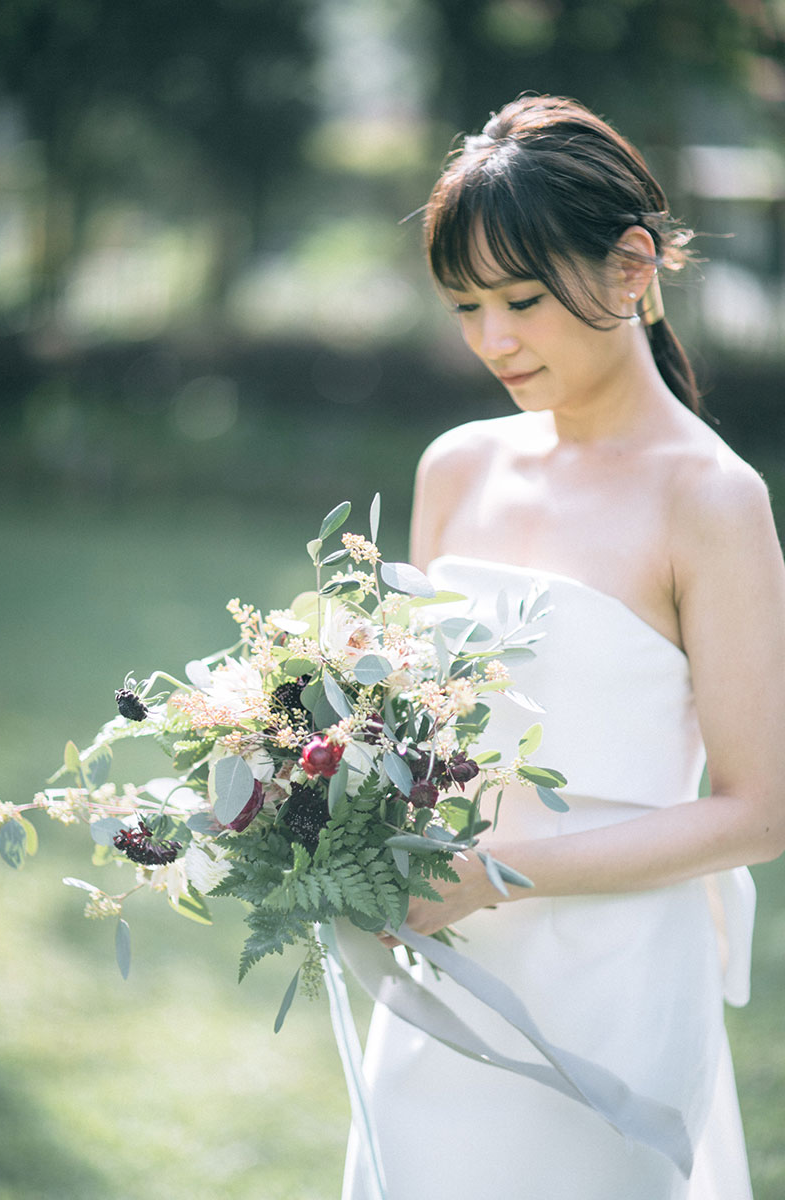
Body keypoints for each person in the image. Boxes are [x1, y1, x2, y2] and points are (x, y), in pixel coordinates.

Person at [342, 94, 785, 1199]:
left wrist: (493, 876)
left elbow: (760, 809)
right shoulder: (456, 466)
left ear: (631, 267)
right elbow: (407, 726)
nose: (492, 339)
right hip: (443, 963)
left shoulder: (710, 501)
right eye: (464, 306)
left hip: (612, 978)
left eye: (521, 299)